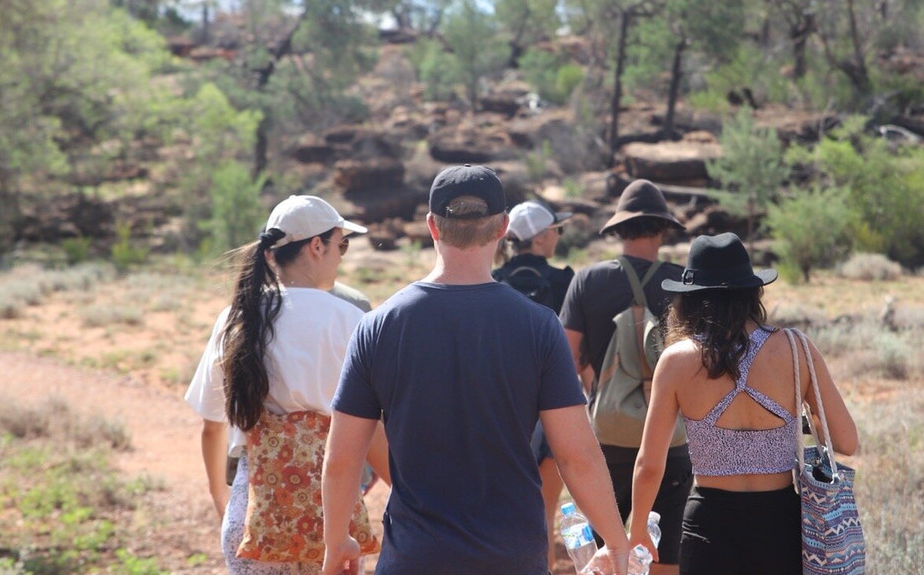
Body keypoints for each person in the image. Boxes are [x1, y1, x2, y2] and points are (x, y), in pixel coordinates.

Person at [322, 164, 629, 575]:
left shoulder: (379, 326)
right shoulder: (539, 326)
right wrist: (615, 540)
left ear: (432, 226)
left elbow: (343, 458)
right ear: (503, 227)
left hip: (416, 558)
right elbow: (578, 458)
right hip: (511, 556)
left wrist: (336, 540)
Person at [628, 233, 859, 575]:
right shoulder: (796, 348)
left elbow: (649, 465)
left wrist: (636, 531)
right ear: (753, 292)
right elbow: (847, 442)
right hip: (781, 524)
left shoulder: (677, 361)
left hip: (709, 525)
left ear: (690, 300)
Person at [185, 194, 389, 575]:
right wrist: (411, 497)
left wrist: (221, 497)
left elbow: (212, 427)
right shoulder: (351, 321)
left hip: (251, 517)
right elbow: (373, 429)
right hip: (329, 523)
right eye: (340, 244)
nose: (341, 255)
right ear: (317, 246)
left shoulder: (236, 319)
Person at [559, 178, 690, 575]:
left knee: (607, 557)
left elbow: (567, 356)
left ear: (618, 228)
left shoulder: (589, 280)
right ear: (663, 228)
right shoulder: (683, 281)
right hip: (670, 437)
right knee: (667, 555)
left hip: (608, 435)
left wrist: (596, 388)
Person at [493, 199, 576, 571]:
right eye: (557, 230)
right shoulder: (565, 282)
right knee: (544, 504)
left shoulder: (491, 282)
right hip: (554, 404)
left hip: (498, 405)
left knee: (497, 499)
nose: (558, 235)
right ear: (541, 237)